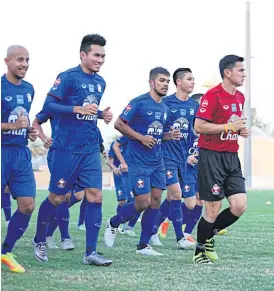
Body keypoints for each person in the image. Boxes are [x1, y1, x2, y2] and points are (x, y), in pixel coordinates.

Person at [32, 34, 113, 266]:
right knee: (58, 197)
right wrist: (79, 107)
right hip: (65, 149)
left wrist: (101, 114)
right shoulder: (67, 77)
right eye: (96, 55)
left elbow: (88, 111)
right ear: (83, 54)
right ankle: (39, 240)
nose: (101, 60)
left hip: (89, 150)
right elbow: (49, 106)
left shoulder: (101, 82)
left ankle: (90, 253)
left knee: (95, 196)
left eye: (103, 56)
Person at [104, 67, 181, 256]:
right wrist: (141, 138)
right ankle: (114, 222)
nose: (165, 84)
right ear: (151, 82)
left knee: (156, 201)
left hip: (157, 162)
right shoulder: (138, 103)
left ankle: (143, 245)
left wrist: (169, 136)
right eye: (161, 80)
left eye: (167, 81)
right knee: (142, 203)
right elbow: (119, 124)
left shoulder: (164, 108)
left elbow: (158, 135)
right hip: (137, 161)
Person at [193, 54, 250, 264]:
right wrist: (228, 128)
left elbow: (233, 124)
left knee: (239, 205)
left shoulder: (240, 97)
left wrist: (240, 131)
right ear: (227, 72)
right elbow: (198, 126)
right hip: (211, 157)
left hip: (231, 156)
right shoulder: (212, 95)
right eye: (240, 70)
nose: (244, 74)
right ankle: (199, 251)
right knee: (213, 208)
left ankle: (208, 237)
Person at [151, 68, 198, 249]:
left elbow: (196, 132)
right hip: (166, 157)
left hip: (184, 159)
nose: (193, 82)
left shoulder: (194, 106)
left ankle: (153, 228)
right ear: (179, 82)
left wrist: (194, 151)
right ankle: (180, 238)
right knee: (176, 194)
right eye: (189, 79)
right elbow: (156, 128)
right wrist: (167, 135)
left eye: (194, 79)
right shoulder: (166, 103)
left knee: (188, 202)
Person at [1, 45, 39, 273]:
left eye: (27, 60)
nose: (24, 64)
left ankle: (5, 251)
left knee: (27, 205)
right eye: (19, 60)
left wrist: (28, 131)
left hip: (21, 153)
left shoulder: (29, 89)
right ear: (7, 61)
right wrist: (12, 126)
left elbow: (23, 118)